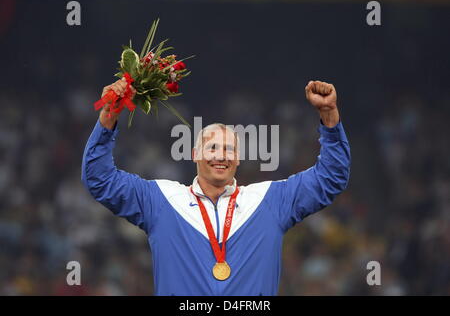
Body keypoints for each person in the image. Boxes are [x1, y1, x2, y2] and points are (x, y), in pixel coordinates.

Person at [81, 78, 351, 295]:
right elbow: (99, 179)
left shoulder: (269, 201)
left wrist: (329, 116)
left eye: (229, 149)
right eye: (212, 147)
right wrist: (108, 117)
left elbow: (330, 177)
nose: (221, 155)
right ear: (195, 153)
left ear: (238, 159)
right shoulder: (161, 200)